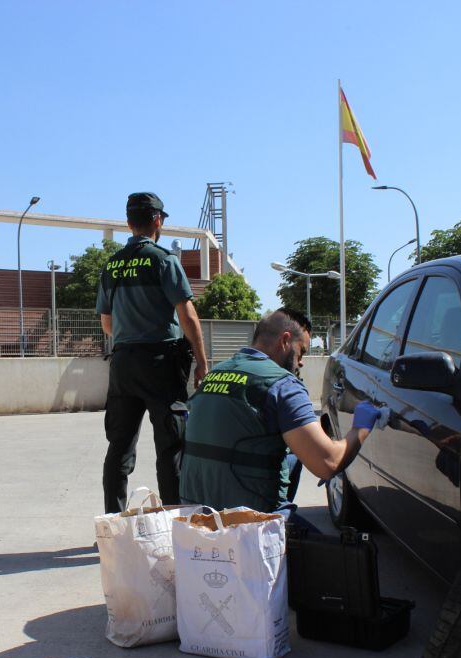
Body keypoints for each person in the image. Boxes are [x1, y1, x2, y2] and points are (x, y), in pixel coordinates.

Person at [179, 307, 381, 519]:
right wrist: (361, 428)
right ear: (285, 341)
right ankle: (279, 523)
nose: (301, 361)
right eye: (301, 351)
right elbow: (328, 463)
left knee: (295, 453)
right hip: (246, 523)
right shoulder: (282, 384)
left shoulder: (215, 373)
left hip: (194, 516)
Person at [96, 192, 209, 514]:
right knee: (171, 446)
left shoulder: (112, 265)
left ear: (129, 223)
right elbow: (186, 313)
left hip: (123, 363)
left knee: (119, 448)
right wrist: (201, 362)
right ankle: (175, 522)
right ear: (158, 220)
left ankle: (113, 523)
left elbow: (107, 323)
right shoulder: (163, 260)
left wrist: (131, 334)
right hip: (161, 362)